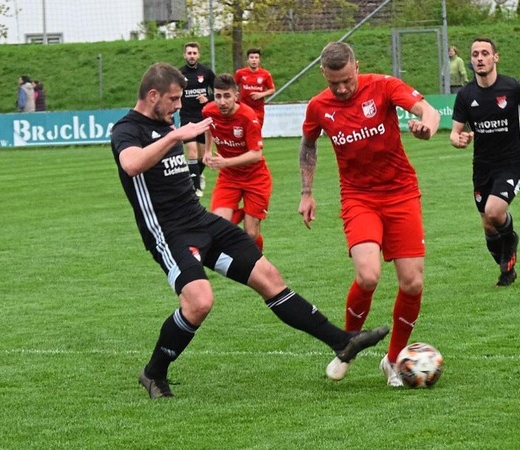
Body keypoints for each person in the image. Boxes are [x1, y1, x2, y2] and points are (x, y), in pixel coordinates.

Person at [110, 62, 388, 399]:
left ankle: (342, 342)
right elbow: (131, 164)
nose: (178, 106)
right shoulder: (127, 129)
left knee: (269, 276)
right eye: (173, 99)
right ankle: (154, 372)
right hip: (168, 233)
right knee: (199, 302)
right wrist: (176, 135)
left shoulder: (169, 120)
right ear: (152, 96)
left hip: (201, 220)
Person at [298, 42, 440, 387]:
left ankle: (393, 360)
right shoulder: (319, 106)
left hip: (401, 192)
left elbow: (429, 112)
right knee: (368, 276)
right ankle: (347, 344)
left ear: (356, 66)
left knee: (413, 282)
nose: (343, 88)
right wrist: (306, 192)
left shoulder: (384, 86)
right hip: (359, 197)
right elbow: (309, 144)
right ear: (324, 75)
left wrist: (426, 128)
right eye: (335, 83)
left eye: (347, 80)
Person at [450, 37, 520, 287]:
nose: (479, 58)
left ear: (495, 57)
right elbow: (455, 133)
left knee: (494, 211)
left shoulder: (512, 88)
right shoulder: (466, 95)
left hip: (512, 162)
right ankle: (507, 269)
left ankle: (511, 241)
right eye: (475, 54)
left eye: (485, 53)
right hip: (482, 166)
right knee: (488, 226)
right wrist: (459, 140)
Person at [202, 73, 271, 252]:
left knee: (250, 234)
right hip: (229, 178)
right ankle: (244, 213)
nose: (222, 101)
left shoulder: (248, 117)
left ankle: (258, 256)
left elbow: (256, 154)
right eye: (218, 96)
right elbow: (209, 127)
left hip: (255, 178)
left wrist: (225, 162)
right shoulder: (208, 111)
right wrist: (208, 150)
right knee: (218, 228)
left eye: (227, 96)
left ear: (236, 96)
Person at [178, 42, 216, 198]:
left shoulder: (206, 72)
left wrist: (207, 98)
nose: (192, 56)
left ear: (198, 55)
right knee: (192, 152)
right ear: (184, 55)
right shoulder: (179, 74)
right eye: (189, 53)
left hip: (203, 118)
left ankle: (197, 175)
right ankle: (195, 188)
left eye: (194, 53)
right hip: (187, 118)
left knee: (201, 156)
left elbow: (219, 92)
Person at [234, 48, 275, 127]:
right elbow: (232, 86)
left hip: (258, 110)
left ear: (259, 60)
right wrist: (235, 96)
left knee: (256, 131)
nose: (254, 60)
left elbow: (272, 90)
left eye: (256, 58)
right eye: (251, 58)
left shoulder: (265, 74)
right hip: (243, 108)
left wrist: (261, 94)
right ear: (247, 60)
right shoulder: (240, 73)